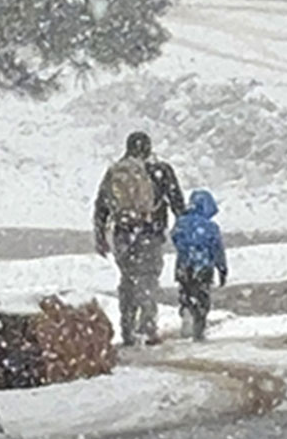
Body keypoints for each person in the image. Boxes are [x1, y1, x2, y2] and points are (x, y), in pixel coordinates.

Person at [93, 132, 185, 346]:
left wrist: (100, 236)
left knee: (127, 279)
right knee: (148, 279)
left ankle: (127, 328)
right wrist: (183, 227)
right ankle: (147, 328)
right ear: (148, 148)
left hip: (123, 235)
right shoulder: (160, 170)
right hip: (150, 232)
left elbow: (101, 205)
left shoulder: (116, 172)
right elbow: (177, 201)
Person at [171, 189, 228, 342]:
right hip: (203, 267)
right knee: (202, 297)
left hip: (183, 265)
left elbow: (175, 238)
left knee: (185, 292)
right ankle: (198, 327)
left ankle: (186, 311)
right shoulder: (210, 227)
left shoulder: (181, 222)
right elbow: (217, 249)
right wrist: (221, 268)